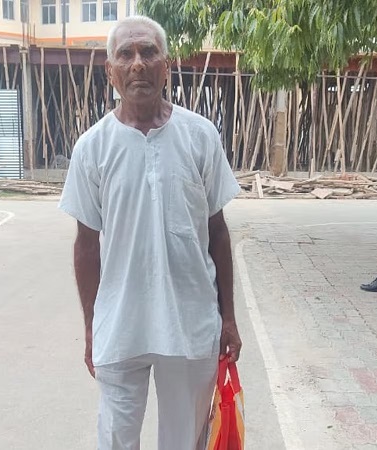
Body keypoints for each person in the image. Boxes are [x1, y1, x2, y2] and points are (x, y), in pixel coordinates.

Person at [58, 15, 242, 450]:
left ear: (167, 66)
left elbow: (217, 232)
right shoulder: (92, 147)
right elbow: (86, 246)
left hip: (191, 323)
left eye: (148, 52)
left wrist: (228, 317)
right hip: (120, 324)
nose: (137, 63)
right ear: (111, 71)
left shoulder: (200, 136)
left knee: (185, 441)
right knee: (116, 438)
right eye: (125, 54)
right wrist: (92, 326)